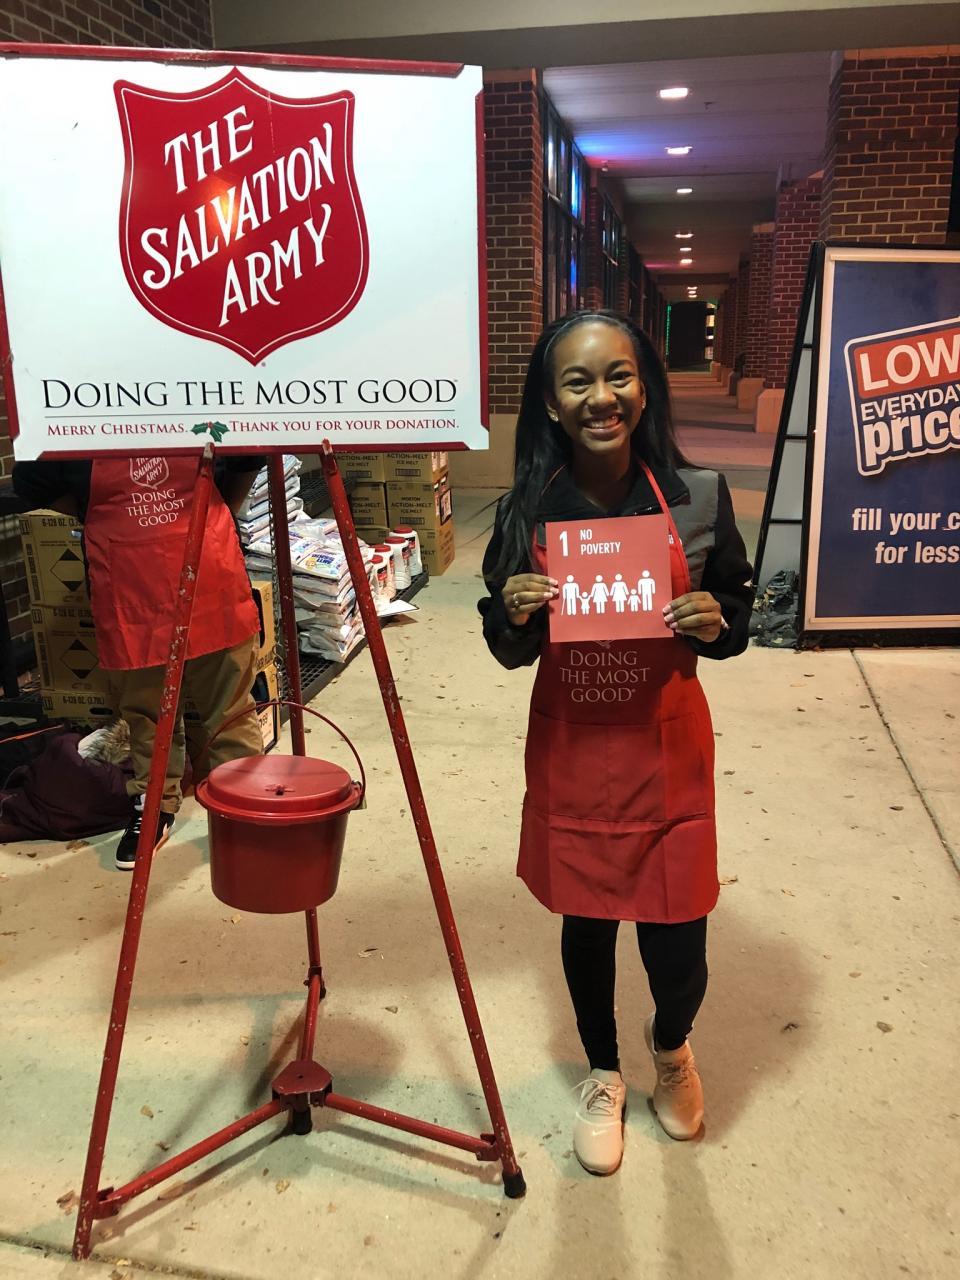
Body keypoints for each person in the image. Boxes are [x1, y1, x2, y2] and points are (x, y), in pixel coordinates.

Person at [479, 310, 754, 1176]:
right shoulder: (527, 510)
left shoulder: (697, 496)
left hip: (666, 752)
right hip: (574, 749)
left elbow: (738, 615)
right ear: (550, 403)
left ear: (645, 386)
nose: (602, 397)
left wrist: (715, 621)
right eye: (578, 381)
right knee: (589, 921)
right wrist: (515, 611)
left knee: (680, 939)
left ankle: (670, 1045)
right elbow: (507, 646)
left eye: (619, 375)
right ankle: (603, 1072)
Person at [13, 453, 266, 870]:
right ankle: (154, 806)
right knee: (147, 715)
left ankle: (246, 805)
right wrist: (96, 511)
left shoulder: (201, 414)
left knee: (229, 709)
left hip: (210, 572)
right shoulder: (76, 429)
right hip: (129, 589)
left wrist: (213, 508)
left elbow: (247, 457)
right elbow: (31, 479)